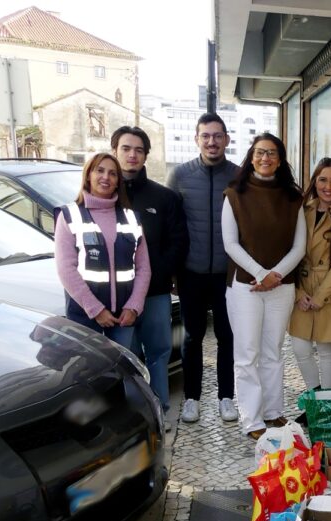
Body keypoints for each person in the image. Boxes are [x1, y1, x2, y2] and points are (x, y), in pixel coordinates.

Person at [222, 133, 306, 439]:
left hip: (281, 287)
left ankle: (273, 413)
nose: (265, 158)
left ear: (280, 159)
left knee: (273, 351)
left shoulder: (293, 197)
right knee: (247, 354)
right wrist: (261, 273)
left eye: (271, 153)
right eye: (260, 153)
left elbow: (299, 247)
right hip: (244, 286)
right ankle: (252, 419)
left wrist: (276, 275)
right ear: (251, 156)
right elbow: (230, 244)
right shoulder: (234, 194)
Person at [167, 113, 239, 424]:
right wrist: (171, 269)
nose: (212, 141)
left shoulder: (238, 176)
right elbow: (170, 225)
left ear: (226, 139)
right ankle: (192, 398)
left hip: (227, 274)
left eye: (217, 135)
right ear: (197, 139)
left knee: (227, 336)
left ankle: (226, 397)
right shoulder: (180, 175)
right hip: (191, 272)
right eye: (205, 136)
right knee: (192, 337)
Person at [112, 125, 188, 417]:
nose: (132, 155)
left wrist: (154, 278)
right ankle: (136, 417)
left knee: (158, 353)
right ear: (115, 151)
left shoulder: (164, 198)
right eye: (126, 149)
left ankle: (161, 410)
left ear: (145, 155)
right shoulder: (104, 196)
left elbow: (177, 243)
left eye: (138, 150)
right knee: (127, 359)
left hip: (155, 293)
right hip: (118, 297)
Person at [54, 152, 150, 349]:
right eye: (100, 170)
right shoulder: (69, 215)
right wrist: (96, 309)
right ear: (88, 175)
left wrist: (134, 306)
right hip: (85, 315)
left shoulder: (131, 218)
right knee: (90, 374)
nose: (106, 177)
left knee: (124, 373)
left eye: (113, 174)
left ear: (118, 182)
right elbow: (66, 269)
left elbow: (143, 268)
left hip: (124, 316)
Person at [288, 158, 331, 397]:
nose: (328, 186)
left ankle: (327, 401)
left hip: (330, 290)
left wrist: (319, 296)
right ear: (315, 182)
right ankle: (314, 397)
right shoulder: (302, 210)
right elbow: (290, 252)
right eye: (323, 180)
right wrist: (298, 293)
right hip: (301, 286)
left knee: (327, 350)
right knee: (300, 347)